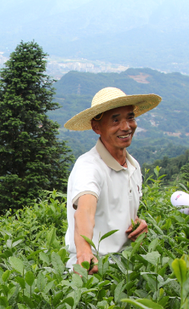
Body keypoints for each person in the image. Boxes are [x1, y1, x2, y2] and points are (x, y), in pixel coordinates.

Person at [63, 87, 161, 273]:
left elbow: (115, 213)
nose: (126, 127)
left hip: (125, 270)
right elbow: (85, 210)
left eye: (130, 117)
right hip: (92, 270)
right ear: (96, 127)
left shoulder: (133, 166)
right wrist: (84, 252)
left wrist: (136, 224)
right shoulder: (88, 167)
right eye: (115, 120)